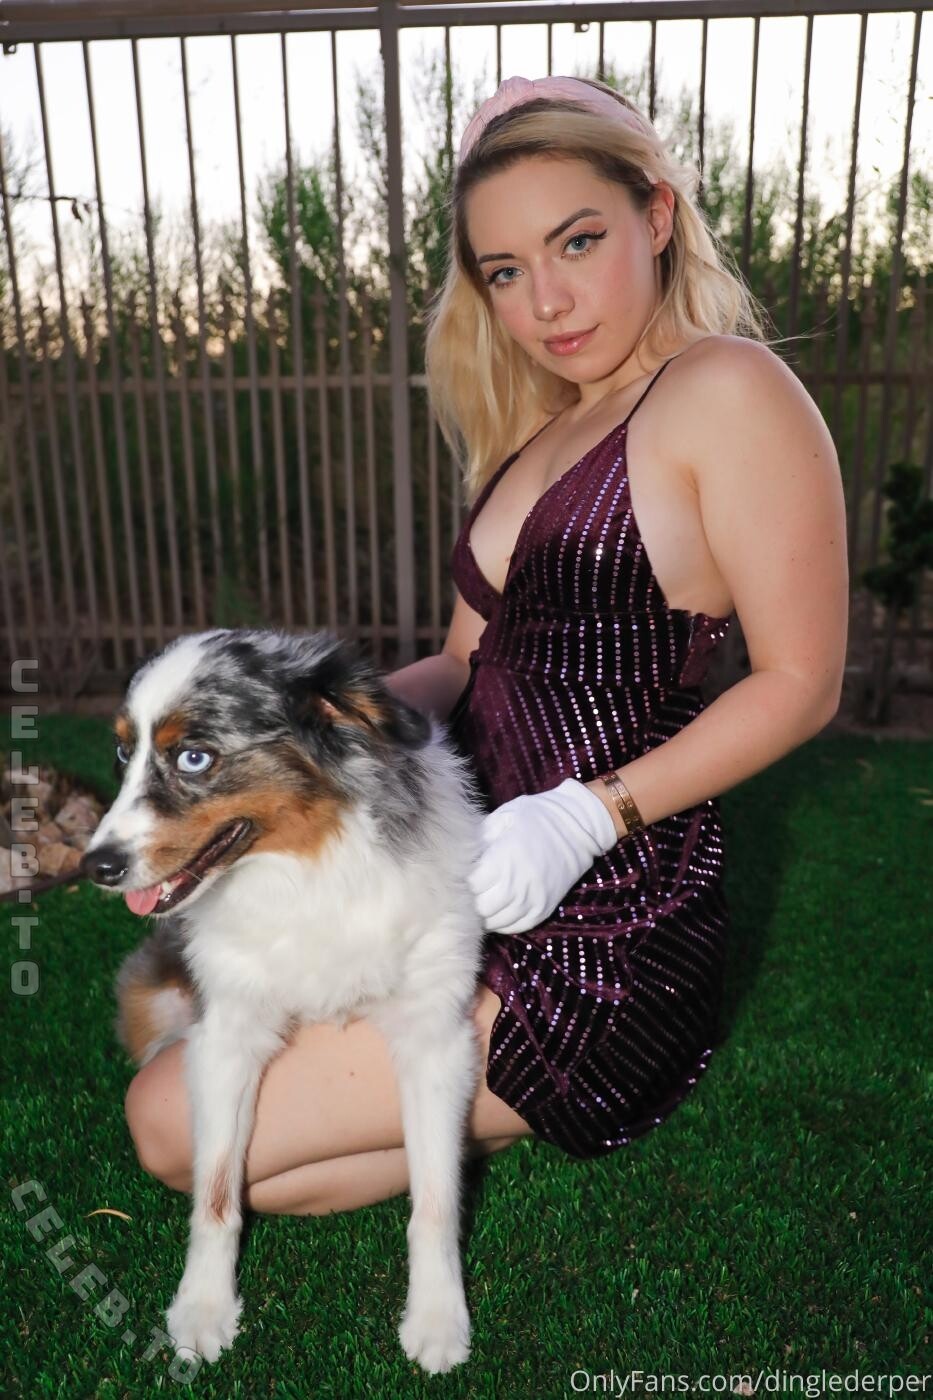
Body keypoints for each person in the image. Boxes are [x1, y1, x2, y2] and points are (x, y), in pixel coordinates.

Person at [124, 75, 849, 1208]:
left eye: (578, 241)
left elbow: (800, 682)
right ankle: (476, 1103)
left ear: (657, 215)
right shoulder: (541, 428)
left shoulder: (726, 386)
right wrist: (317, 716)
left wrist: (583, 817)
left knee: (169, 1120)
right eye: (505, 271)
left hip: (605, 918)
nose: (546, 301)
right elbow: (465, 664)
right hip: (462, 875)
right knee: (210, 1088)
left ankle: (531, 1071)